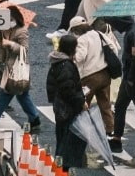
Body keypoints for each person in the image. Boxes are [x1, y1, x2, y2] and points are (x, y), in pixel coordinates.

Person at [0, 22, 45, 131]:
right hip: (10, 67)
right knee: (22, 95)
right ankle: (34, 119)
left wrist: (10, 44)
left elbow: (24, 50)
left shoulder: (20, 31)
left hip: (16, 68)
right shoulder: (2, 32)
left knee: (5, 94)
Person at [48, 34, 89, 170]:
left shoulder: (57, 61)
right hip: (67, 108)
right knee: (66, 140)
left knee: (62, 138)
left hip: (60, 106)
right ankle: (61, 169)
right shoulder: (66, 65)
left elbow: (54, 85)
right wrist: (81, 101)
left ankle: (59, 168)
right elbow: (68, 89)